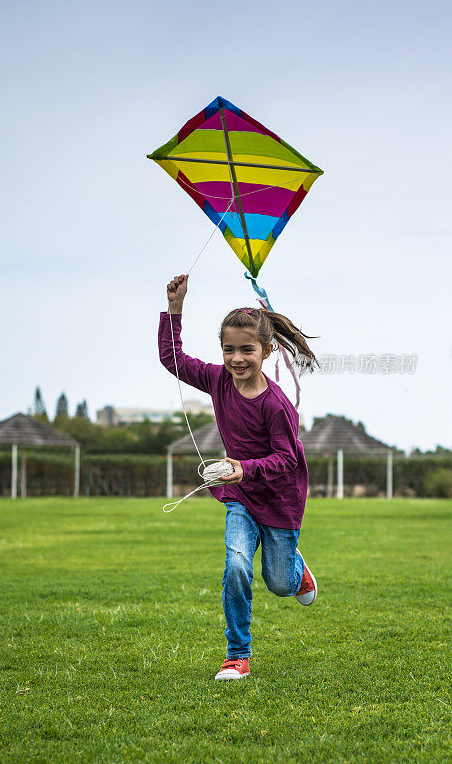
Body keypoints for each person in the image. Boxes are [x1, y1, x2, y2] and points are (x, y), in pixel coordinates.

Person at [158, 273, 318, 682]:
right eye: (229, 349)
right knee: (236, 565)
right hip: (239, 498)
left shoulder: (277, 405)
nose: (236, 358)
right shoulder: (217, 381)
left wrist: (244, 467)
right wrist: (175, 308)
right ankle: (237, 655)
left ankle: (296, 571)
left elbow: (286, 459)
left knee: (279, 584)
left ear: (267, 350)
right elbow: (172, 358)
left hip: (279, 500)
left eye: (246, 349)